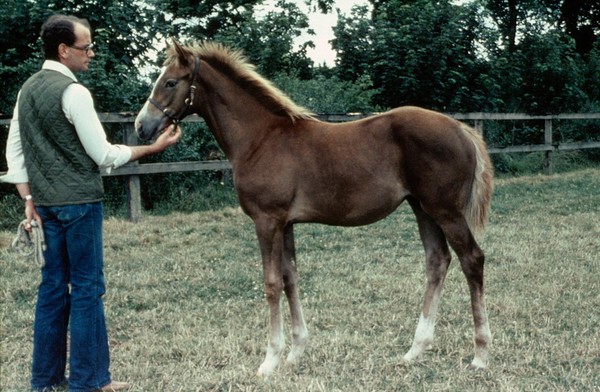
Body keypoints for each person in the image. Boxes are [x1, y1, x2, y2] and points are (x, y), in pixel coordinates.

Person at [1, 14, 182, 392]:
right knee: (86, 289)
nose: (92, 54)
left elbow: (14, 151)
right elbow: (102, 154)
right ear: (64, 50)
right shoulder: (75, 92)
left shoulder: (27, 90)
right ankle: (89, 383)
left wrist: (28, 198)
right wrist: (152, 147)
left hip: (47, 205)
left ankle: (45, 381)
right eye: (86, 48)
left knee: (52, 289)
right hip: (80, 204)